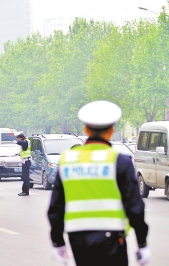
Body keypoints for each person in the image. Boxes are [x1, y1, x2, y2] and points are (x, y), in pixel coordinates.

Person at [47, 100, 150, 266]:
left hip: (77, 237)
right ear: (111, 130)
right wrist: (142, 243)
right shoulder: (120, 162)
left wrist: (58, 242)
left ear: (86, 129)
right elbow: (135, 207)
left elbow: (56, 207)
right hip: (112, 237)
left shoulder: (67, 160)